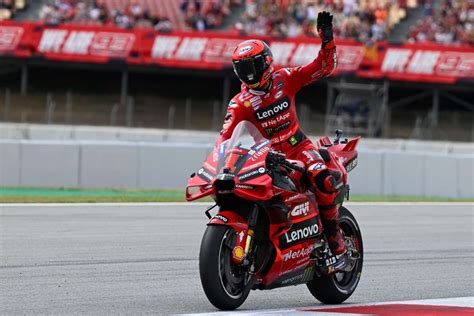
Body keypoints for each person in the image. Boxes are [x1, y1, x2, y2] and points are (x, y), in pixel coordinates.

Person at [218, 11, 348, 272]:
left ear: (265, 63)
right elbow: (225, 139)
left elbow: (323, 67)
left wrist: (327, 39)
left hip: (299, 149)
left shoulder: (285, 78)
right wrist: (219, 166)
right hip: (266, 157)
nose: (248, 74)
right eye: (241, 68)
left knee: (320, 176)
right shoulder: (239, 103)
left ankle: (337, 243)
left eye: (251, 66)